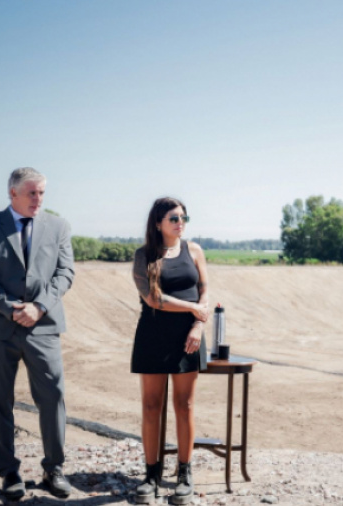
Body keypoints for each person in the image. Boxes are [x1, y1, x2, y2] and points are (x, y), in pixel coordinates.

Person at [0, 167, 75, 500]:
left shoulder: (58, 227)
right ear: (12, 193)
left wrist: (38, 307)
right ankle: (9, 473)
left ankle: (53, 469)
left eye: (42, 192)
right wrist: (11, 307)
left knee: (53, 396)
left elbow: (65, 272)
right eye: (32, 193)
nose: (38, 199)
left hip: (43, 326)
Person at [131, 197, 210, 505]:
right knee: (151, 406)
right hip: (152, 334)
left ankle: (184, 474)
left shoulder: (194, 250)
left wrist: (198, 325)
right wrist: (193, 308)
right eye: (174, 218)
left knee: (184, 405)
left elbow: (204, 289)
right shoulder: (143, 256)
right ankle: (151, 475)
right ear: (158, 223)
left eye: (183, 217)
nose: (180, 222)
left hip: (188, 336)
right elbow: (153, 299)